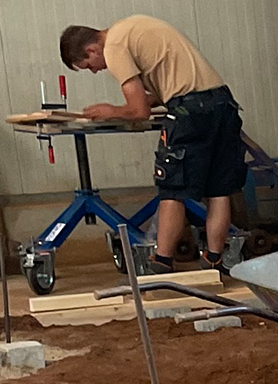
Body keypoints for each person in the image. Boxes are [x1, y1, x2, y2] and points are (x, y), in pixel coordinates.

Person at [60, 17, 243, 271]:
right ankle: (215, 259)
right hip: (222, 104)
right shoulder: (132, 27)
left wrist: (111, 110)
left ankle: (162, 260)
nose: (95, 70)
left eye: (88, 65)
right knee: (218, 190)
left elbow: (139, 111)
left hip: (190, 111)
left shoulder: (113, 47)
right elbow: (167, 85)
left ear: (91, 49)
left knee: (172, 189)